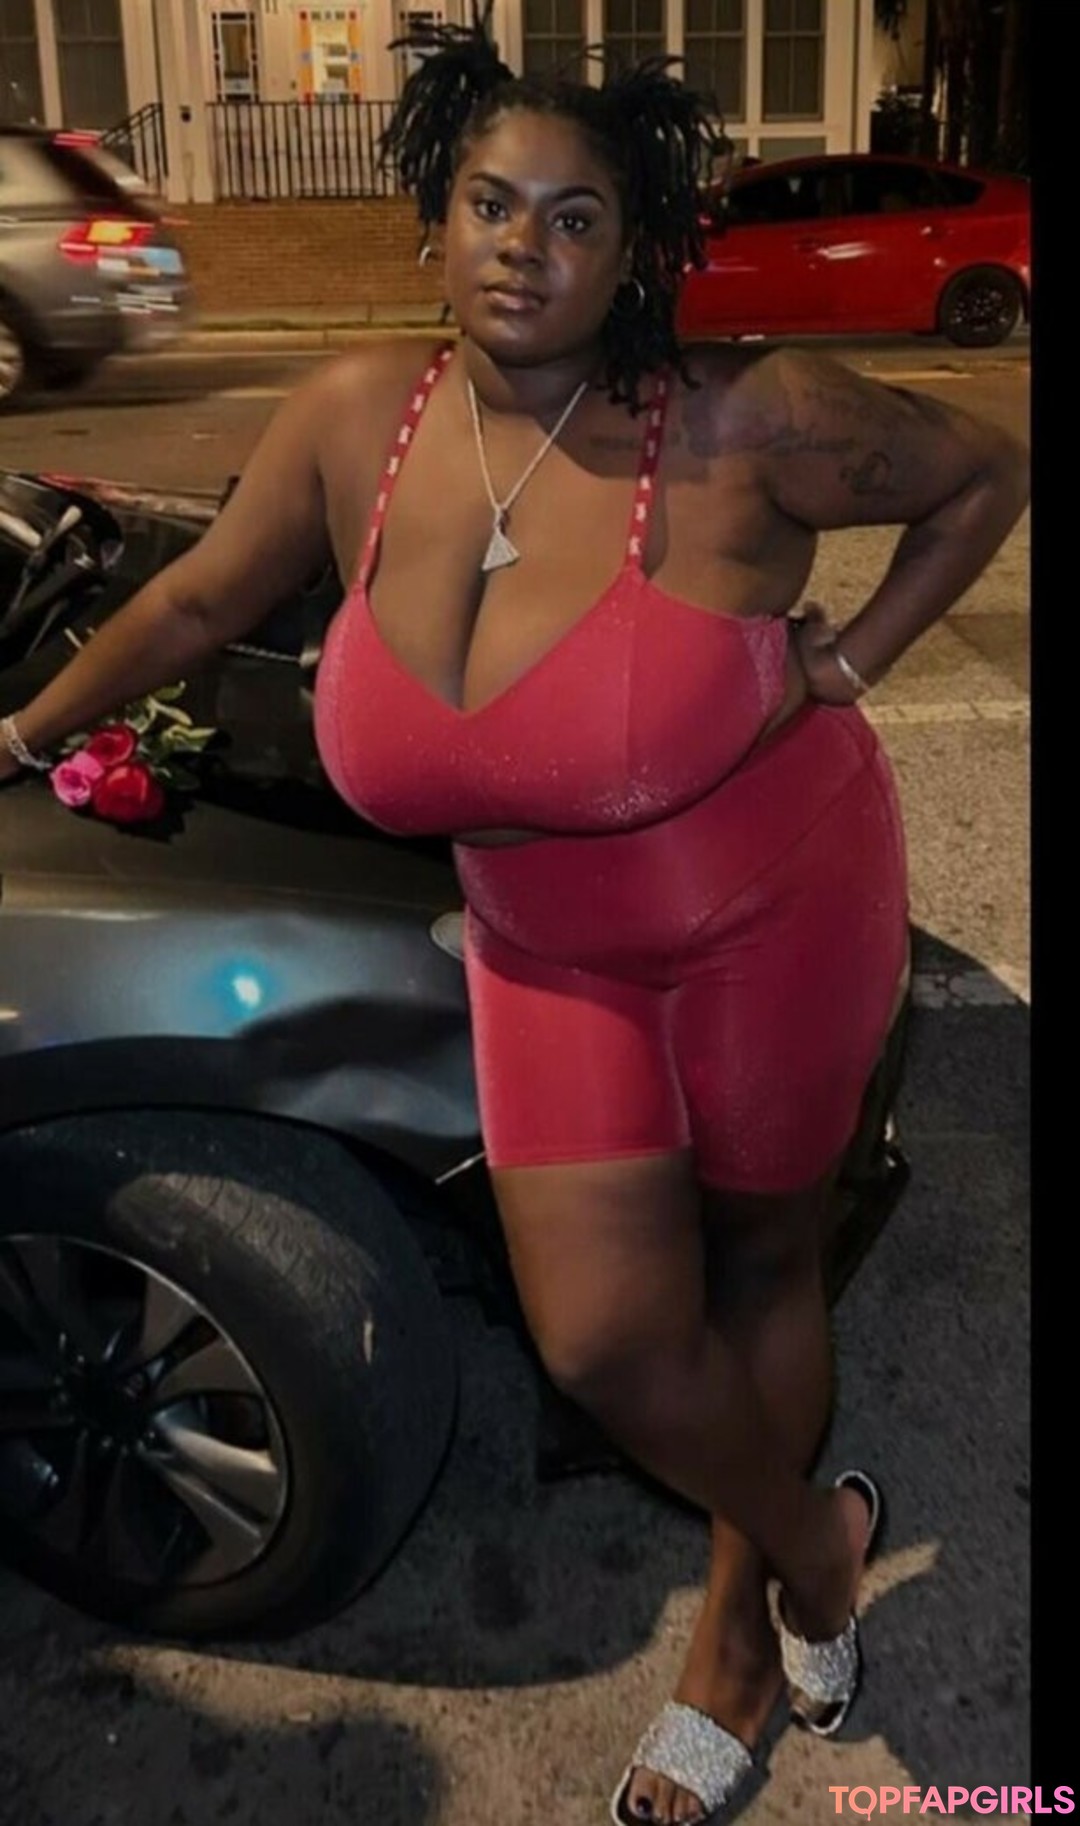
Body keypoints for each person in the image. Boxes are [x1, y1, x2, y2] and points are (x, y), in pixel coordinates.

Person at [0, 19, 1029, 1826]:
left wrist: (850, 661)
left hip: (772, 908)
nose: (523, 247)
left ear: (637, 252)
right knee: (609, 1341)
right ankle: (817, 1541)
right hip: (544, 943)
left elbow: (983, 474)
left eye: (576, 218)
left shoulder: (739, 420)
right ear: (436, 216)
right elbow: (194, 603)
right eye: (492, 203)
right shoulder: (356, 421)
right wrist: (19, 731)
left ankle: (736, 1636)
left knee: (762, 1265)